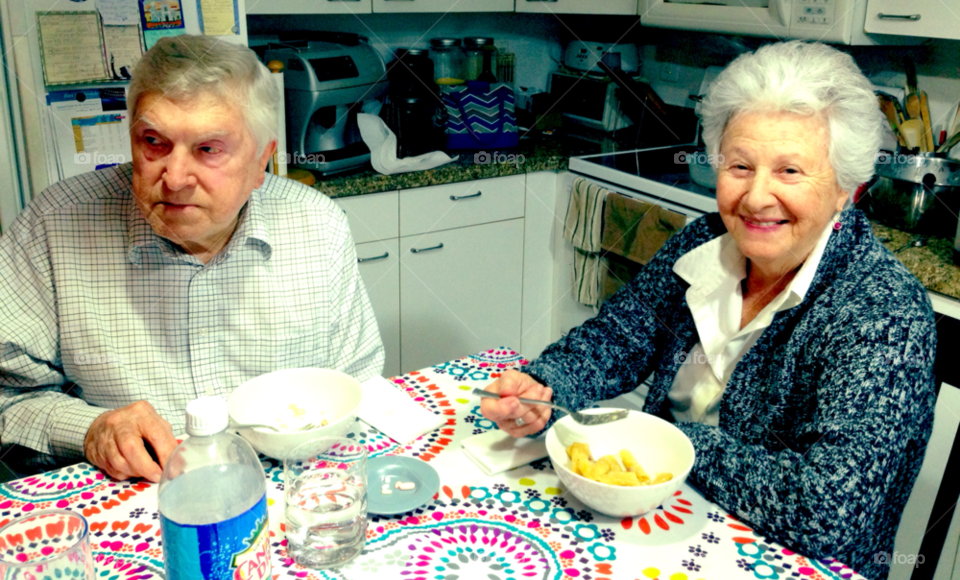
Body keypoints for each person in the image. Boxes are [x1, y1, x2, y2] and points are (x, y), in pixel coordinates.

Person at [480, 41, 936, 580]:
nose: (756, 197)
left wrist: (675, 446)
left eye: (790, 171)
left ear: (846, 189)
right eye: (740, 165)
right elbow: (619, 337)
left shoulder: (882, 313)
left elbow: (827, 510)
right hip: (663, 526)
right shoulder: (707, 240)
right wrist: (546, 384)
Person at [0, 35, 384, 483]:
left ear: (263, 160)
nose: (176, 178)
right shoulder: (52, 226)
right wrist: (91, 429)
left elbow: (358, 387)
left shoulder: (319, 225)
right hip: (130, 508)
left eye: (208, 149)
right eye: (154, 142)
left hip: (289, 496)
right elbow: (7, 398)